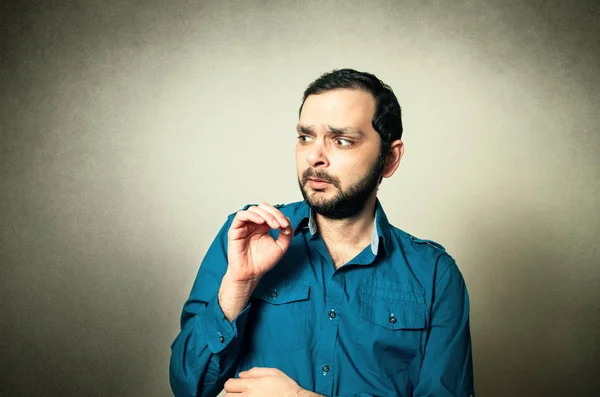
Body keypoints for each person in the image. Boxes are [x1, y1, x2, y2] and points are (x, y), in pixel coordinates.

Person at [169, 68, 475, 397]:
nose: (315, 157)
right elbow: (190, 386)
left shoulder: (434, 275)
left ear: (389, 159)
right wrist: (237, 288)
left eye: (341, 140)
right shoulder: (245, 236)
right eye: (305, 137)